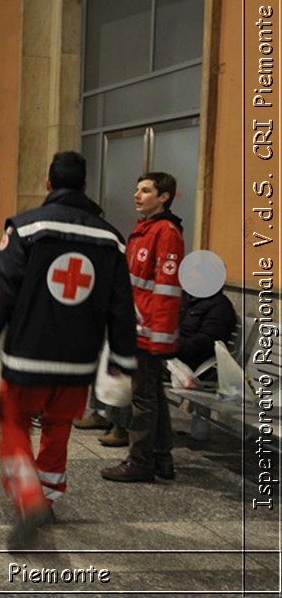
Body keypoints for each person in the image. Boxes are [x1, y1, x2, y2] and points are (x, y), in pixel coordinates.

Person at [0, 152, 137, 549]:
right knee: (58, 428)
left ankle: (28, 496)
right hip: (79, 362)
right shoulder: (111, 239)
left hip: (27, 356)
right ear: (86, 186)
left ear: (48, 183)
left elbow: (2, 291)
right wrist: (123, 361)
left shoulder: (25, 228)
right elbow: (121, 307)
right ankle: (49, 496)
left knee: (14, 423)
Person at [102, 172, 185, 483]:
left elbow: (166, 289)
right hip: (139, 325)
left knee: (143, 399)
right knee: (152, 395)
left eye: (146, 191)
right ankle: (161, 459)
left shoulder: (165, 233)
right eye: (137, 189)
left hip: (150, 331)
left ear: (164, 197)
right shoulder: (143, 231)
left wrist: (159, 337)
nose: (137, 195)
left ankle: (140, 462)